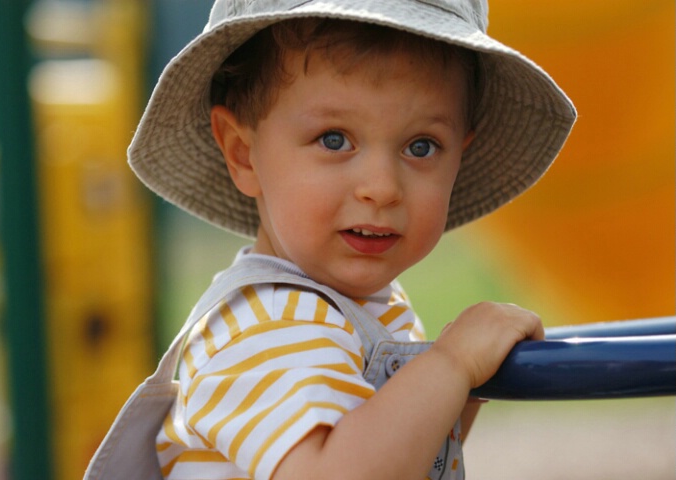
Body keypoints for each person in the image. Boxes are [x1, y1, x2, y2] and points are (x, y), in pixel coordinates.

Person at [85, 1, 576, 479]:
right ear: (243, 153)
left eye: (421, 146)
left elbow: (403, 461)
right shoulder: (265, 324)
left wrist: (460, 388)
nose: (381, 188)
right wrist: (451, 365)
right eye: (334, 139)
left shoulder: (359, 310)